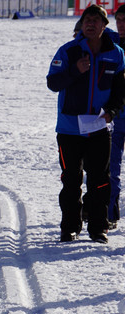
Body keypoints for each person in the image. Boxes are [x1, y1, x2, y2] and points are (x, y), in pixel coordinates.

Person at [47, 4, 125, 244]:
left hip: (100, 127)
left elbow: (120, 90)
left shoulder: (117, 53)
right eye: (86, 20)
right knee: (71, 179)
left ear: (105, 25)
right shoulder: (68, 51)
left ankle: (99, 228)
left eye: (96, 20)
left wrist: (111, 112)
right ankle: (70, 227)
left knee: (100, 179)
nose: (90, 24)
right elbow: (53, 83)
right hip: (69, 129)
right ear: (81, 25)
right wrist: (75, 71)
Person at [108, 4, 125, 229]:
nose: (121, 24)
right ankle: (109, 211)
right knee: (109, 168)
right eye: (118, 19)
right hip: (114, 117)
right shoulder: (109, 43)